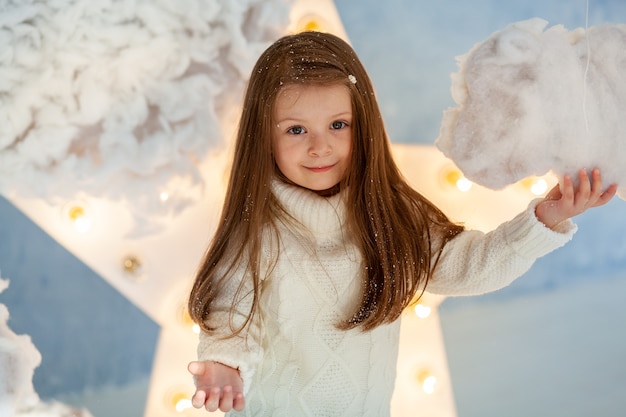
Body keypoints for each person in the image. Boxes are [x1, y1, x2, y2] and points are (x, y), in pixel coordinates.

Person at [186, 31, 617, 416]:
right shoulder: (258, 234)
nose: (321, 146)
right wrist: (224, 366)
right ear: (263, 136)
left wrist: (544, 218)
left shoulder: (388, 217)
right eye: (296, 130)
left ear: (365, 126)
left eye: (339, 125)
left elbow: (466, 265)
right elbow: (230, 315)